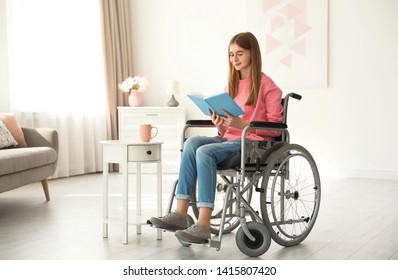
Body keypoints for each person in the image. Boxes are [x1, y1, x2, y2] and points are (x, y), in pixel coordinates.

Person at [149, 32, 283, 244]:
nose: (234, 59)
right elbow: (226, 128)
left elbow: (277, 129)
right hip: (229, 140)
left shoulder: (268, 86)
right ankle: (180, 213)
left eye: (240, 53)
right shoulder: (231, 85)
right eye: (231, 54)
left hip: (253, 144)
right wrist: (219, 125)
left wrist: (242, 125)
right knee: (191, 142)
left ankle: (203, 224)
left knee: (204, 151)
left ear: (253, 54)